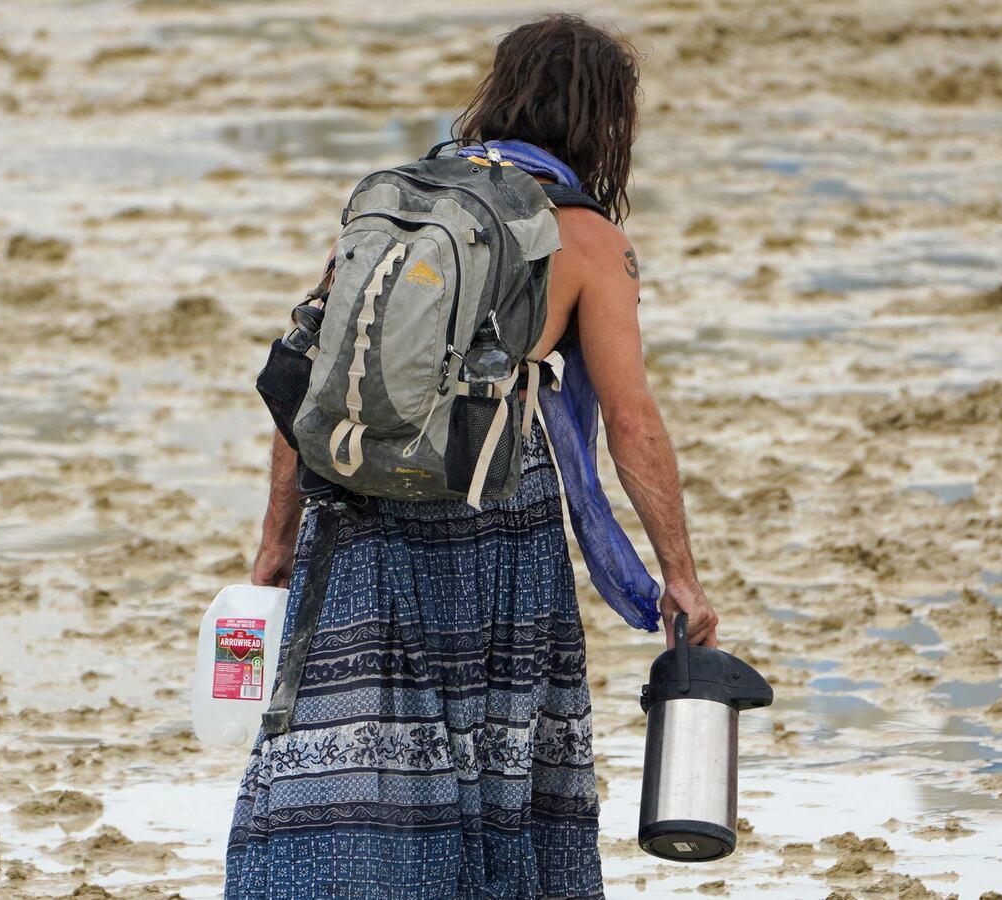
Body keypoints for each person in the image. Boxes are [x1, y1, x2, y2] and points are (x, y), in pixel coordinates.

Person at [227, 15, 718, 899]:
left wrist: (274, 540)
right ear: (607, 120)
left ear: (499, 92)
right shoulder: (587, 239)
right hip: (495, 517)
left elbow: (310, 380)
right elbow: (632, 421)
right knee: (494, 756)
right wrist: (677, 574)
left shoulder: (395, 201)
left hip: (357, 510)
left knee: (353, 747)